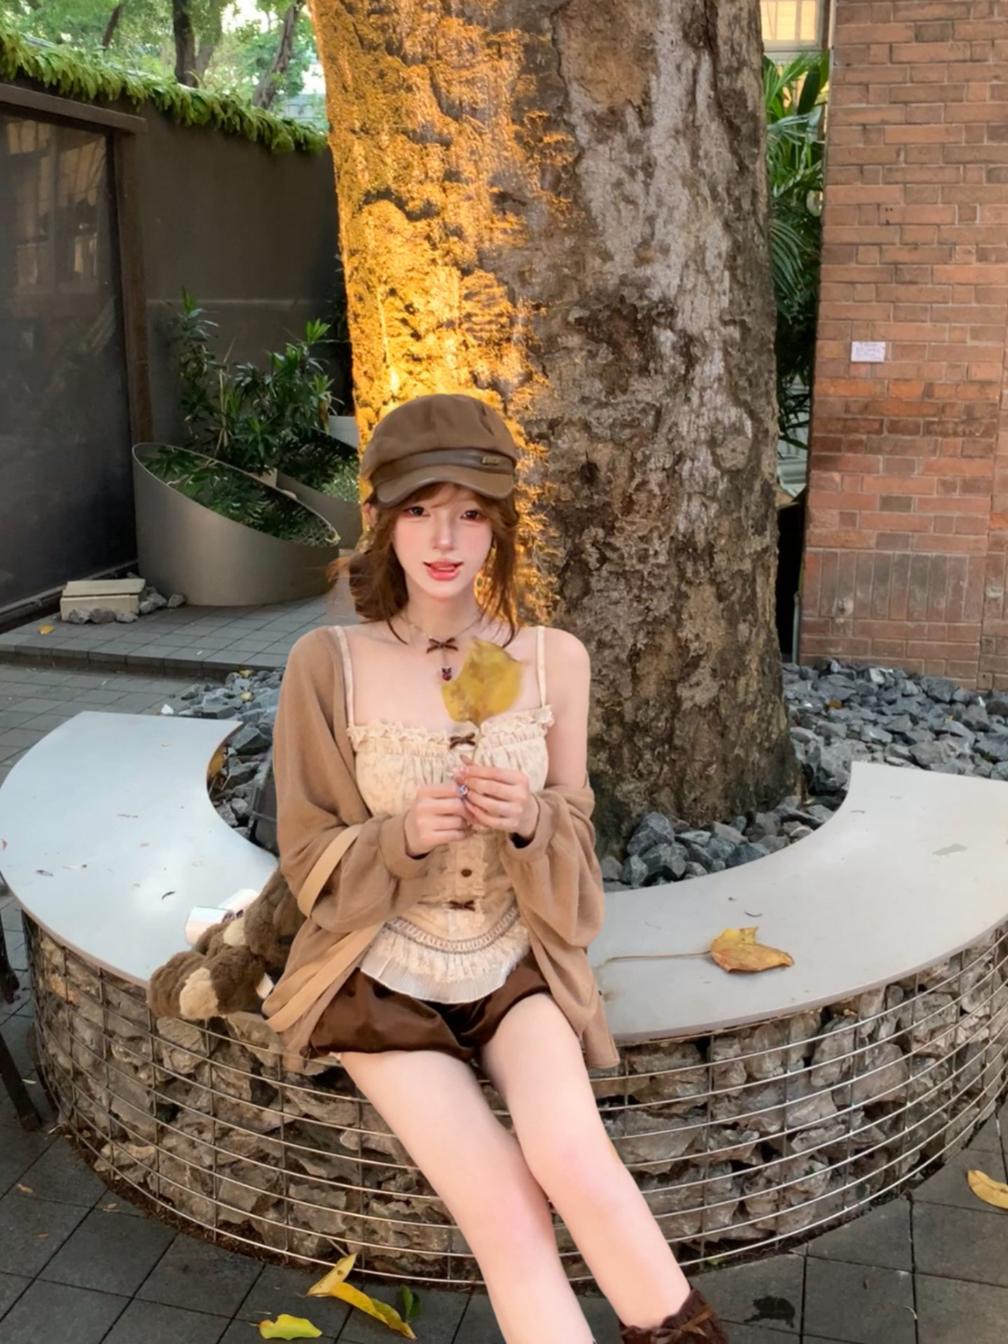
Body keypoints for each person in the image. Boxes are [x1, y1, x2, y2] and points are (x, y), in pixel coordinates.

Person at [262, 393, 728, 1343]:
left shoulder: (552, 658)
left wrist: (531, 824)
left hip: (514, 963)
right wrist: (398, 839)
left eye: (471, 511)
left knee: (578, 1162)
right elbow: (306, 854)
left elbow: (577, 834)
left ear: (500, 527)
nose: (445, 536)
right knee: (509, 1215)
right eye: (421, 509)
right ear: (384, 521)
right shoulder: (327, 662)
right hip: (379, 973)